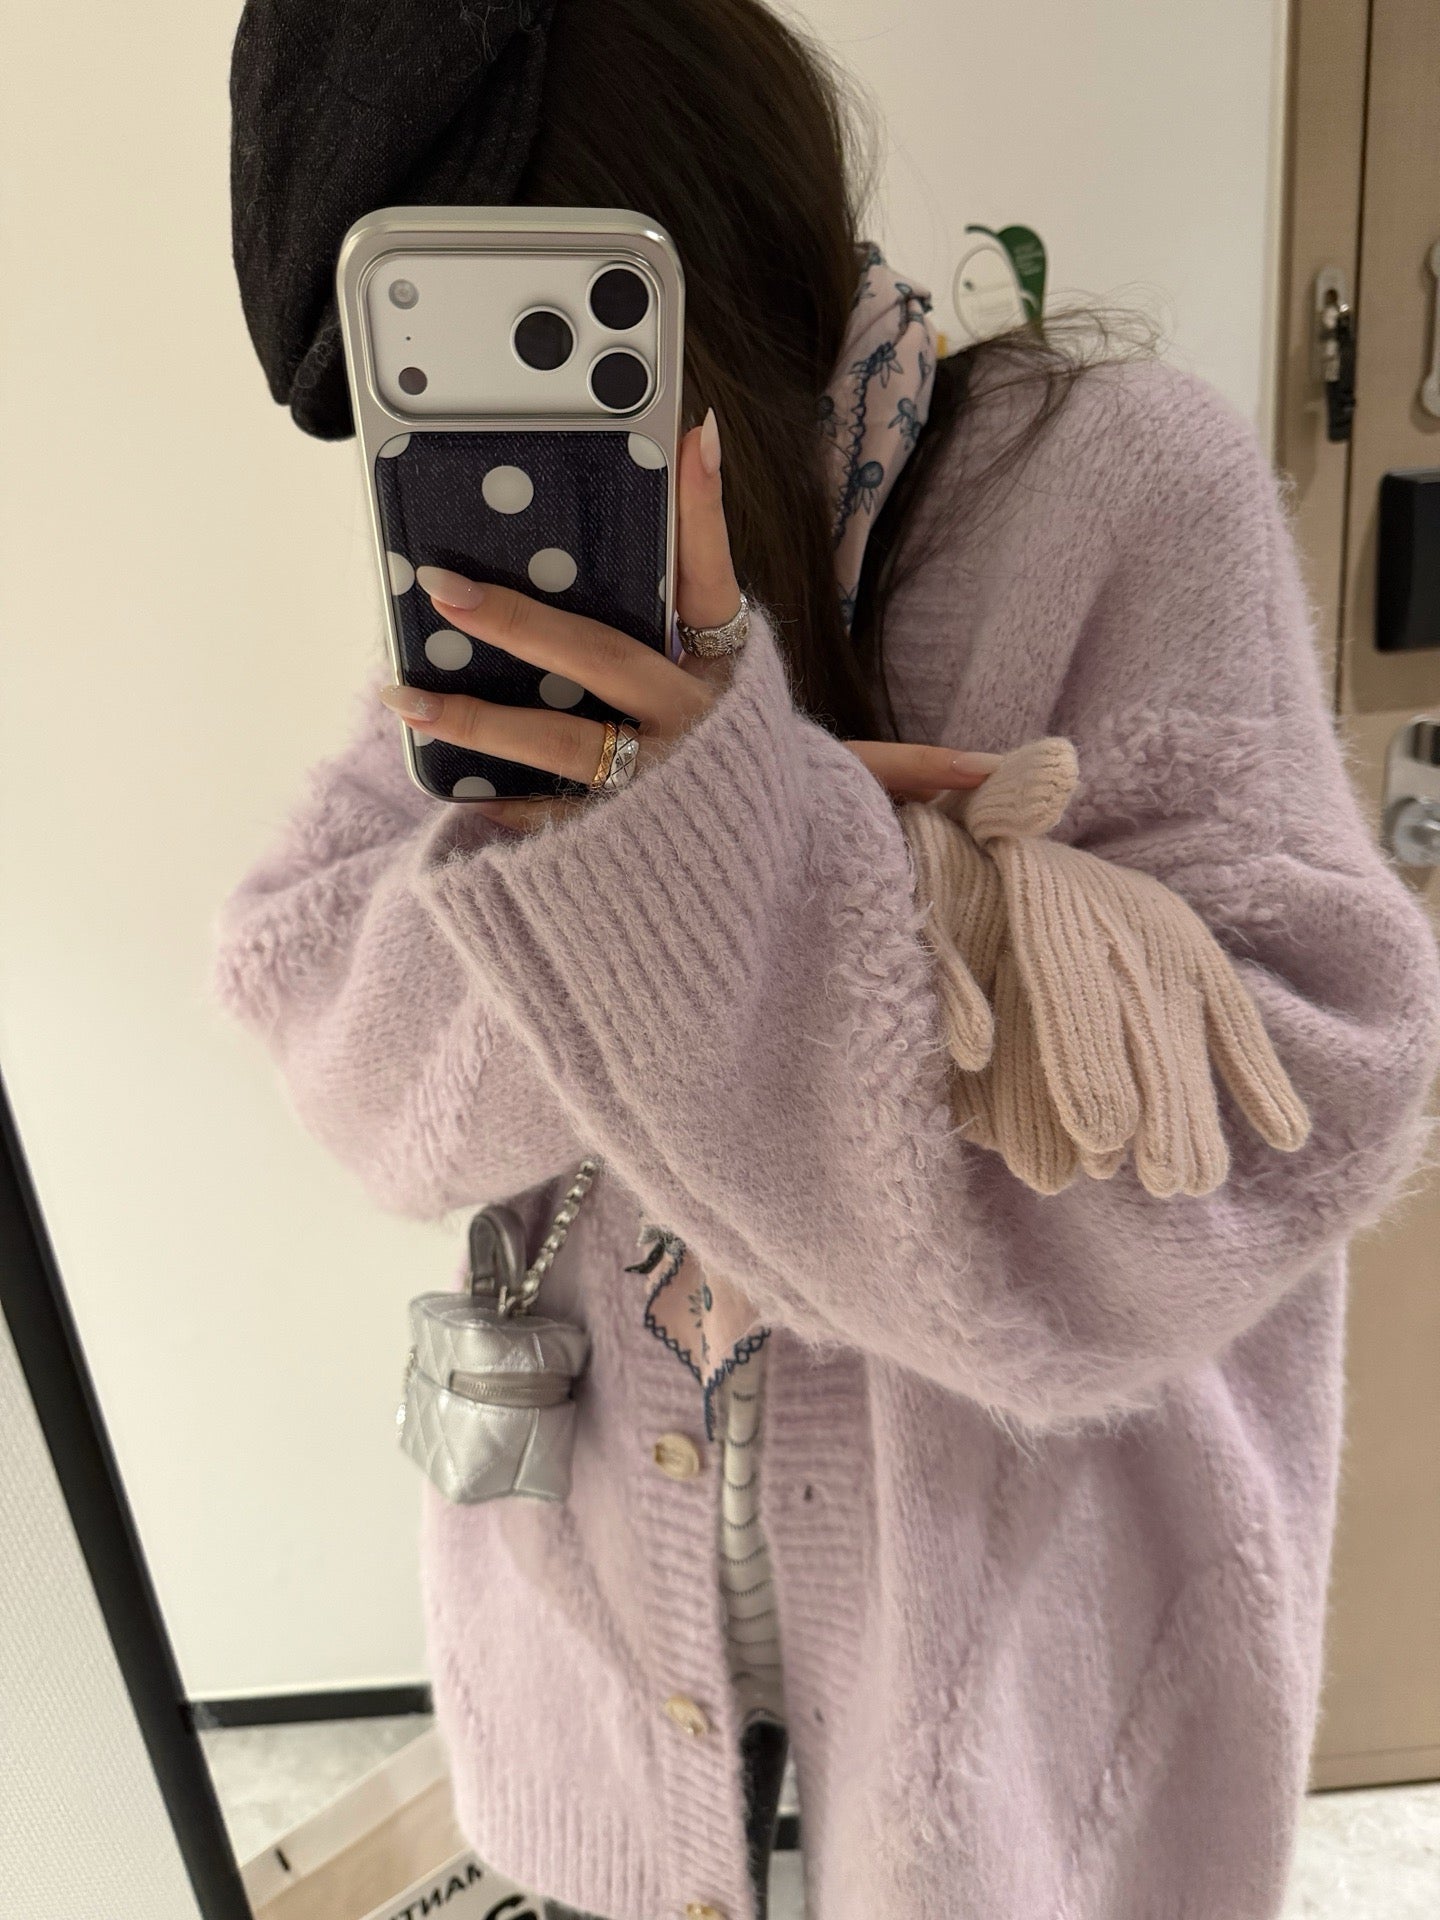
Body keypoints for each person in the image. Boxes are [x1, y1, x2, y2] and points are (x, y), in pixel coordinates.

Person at [216, 4, 1440, 1919]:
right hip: (619, 1657)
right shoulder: (528, 599)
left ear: (684, 243)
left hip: (1025, 1706)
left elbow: (1296, 1106)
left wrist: (756, 873)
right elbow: (338, 1053)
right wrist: (611, 868)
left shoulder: (1119, 490)